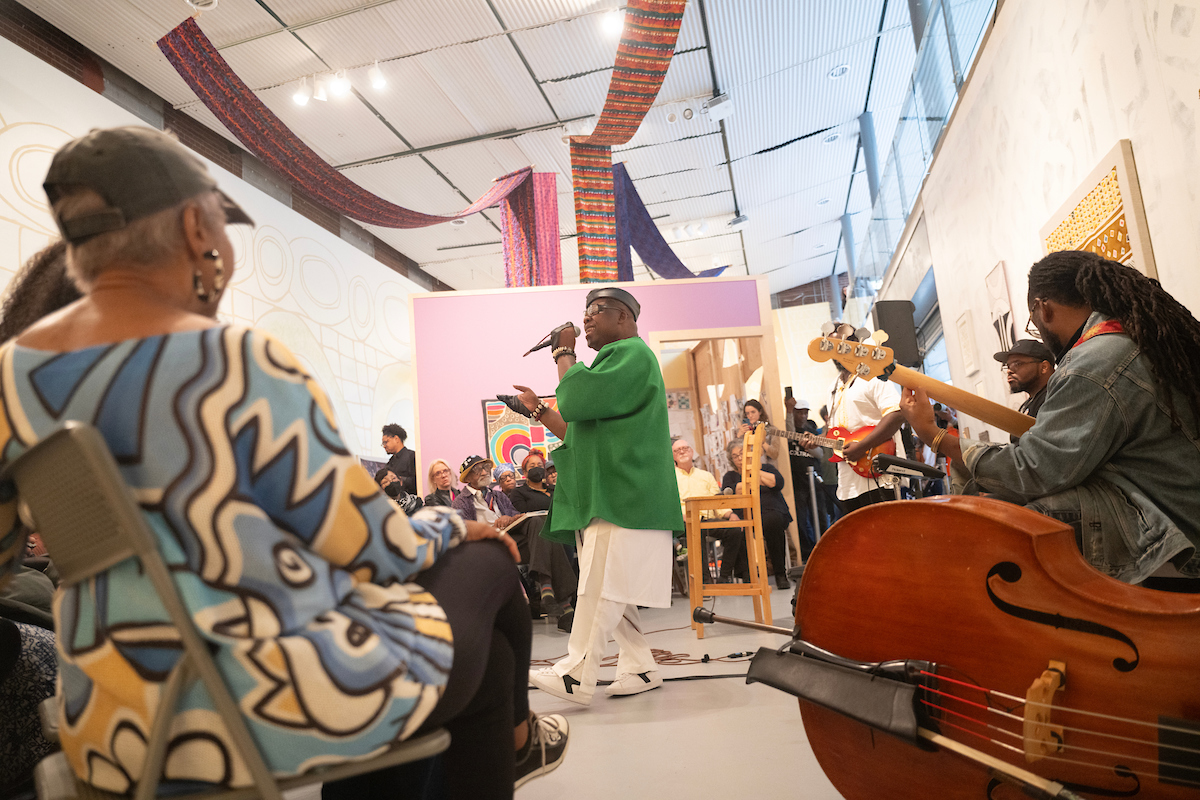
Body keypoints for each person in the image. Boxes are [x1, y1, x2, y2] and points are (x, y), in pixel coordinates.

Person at [0, 126, 567, 799]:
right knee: (487, 563)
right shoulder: (236, 359)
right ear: (192, 225)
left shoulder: (13, 375)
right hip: (257, 705)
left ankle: (516, 741)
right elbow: (371, 548)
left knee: (486, 655)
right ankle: (517, 741)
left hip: (111, 720)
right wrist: (453, 527)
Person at [900, 250, 1200, 583]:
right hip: (1183, 510)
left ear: (1044, 308)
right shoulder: (1132, 338)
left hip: (1182, 533)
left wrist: (934, 435)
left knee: (1001, 526)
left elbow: (1035, 470)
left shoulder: (1092, 362)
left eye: (1033, 322)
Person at [514, 286, 683, 705]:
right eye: (584, 312)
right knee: (612, 585)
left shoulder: (631, 355)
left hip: (623, 494)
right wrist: (537, 410)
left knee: (600, 583)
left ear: (624, 318)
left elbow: (576, 398)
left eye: (597, 311)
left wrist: (562, 355)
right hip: (616, 491)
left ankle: (577, 674)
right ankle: (640, 665)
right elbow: (579, 431)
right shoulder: (616, 365)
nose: (586, 319)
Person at [803, 323, 905, 513]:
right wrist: (817, 441)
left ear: (856, 344)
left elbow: (897, 414)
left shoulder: (874, 375)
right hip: (847, 484)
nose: (837, 350)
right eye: (831, 345)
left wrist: (863, 446)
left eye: (842, 343)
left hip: (880, 478)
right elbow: (838, 432)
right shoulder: (833, 387)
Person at [508, 450, 577, 633]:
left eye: (540, 466)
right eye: (532, 466)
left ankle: (548, 593)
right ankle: (565, 606)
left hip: (556, 533)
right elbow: (521, 515)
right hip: (527, 534)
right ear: (524, 472)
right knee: (543, 526)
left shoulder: (555, 490)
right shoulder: (518, 493)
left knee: (557, 536)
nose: (537, 469)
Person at [720, 438, 792, 589]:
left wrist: (754, 471)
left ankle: (780, 573)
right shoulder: (730, 476)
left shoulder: (768, 468)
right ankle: (748, 576)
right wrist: (758, 480)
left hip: (771, 512)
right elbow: (734, 491)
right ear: (732, 460)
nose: (740, 458)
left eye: (742, 453)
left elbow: (776, 483)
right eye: (735, 456)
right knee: (739, 528)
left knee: (773, 521)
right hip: (746, 514)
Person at [993, 339, 1056, 443]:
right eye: (1008, 366)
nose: (1009, 370)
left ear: (1044, 367)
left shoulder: (1055, 398)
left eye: (1017, 364)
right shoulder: (1028, 404)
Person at [453, 455, 523, 531]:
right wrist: (491, 530)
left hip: (508, 534)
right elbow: (464, 532)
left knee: (533, 521)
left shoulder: (499, 495)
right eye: (477, 470)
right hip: (485, 540)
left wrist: (509, 518)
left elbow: (516, 516)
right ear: (467, 478)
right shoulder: (460, 502)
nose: (484, 472)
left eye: (486, 467)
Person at [381, 423, 417, 494]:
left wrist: (399, 480)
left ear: (396, 439)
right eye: (383, 443)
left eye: (386, 442)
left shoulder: (412, 456)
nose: (384, 446)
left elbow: (417, 481)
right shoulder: (390, 462)